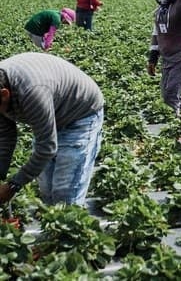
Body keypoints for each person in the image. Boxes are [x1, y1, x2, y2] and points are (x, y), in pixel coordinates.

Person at [0, 52, 104, 206]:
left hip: (80, 114)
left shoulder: (32, 92)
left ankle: (70, 227)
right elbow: (5, 136)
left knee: (65, 193)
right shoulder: (3, 88)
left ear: (4, 95)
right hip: (50, 112)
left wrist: (13, 186)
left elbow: (46, 148)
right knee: (47, 190)